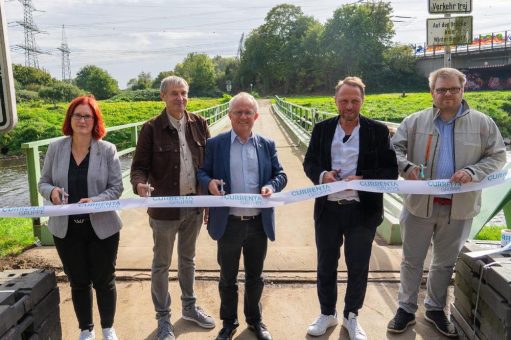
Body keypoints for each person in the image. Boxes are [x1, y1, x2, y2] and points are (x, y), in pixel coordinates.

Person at [388, 67, 507, 337]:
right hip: (419, 205)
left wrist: (473, 172)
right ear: (432, 93)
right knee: (411, 260)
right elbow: (393, 149)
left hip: (460, 206)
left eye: (453, 88)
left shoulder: (483, 123)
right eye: (441, 89)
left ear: (463, 90)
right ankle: (405, 309)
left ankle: (434, 309)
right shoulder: (415, 121)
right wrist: (406, 167)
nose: (448, 94)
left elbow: (498, 156)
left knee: (444, 262)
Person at [303, 77, 398, 340]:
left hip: (362, 210)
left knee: (358, 266)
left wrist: (364, 178)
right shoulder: (321, 129)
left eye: (354, 101)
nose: (349, 106)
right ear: (335, 100)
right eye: (344, 100)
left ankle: (351, 316)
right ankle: (327, 313)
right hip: (328, 210)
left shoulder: (377, 131)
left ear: (362, 101)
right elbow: (310, 162)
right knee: (325, 265)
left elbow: (391, 171)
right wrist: (323, 175)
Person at [197, 92, 287, 340]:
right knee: (227, 278)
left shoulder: (267, 145)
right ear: (230, 115)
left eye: (248, 112)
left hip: (258, 223)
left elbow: (281, 174)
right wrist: (209, 183)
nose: (243, 117)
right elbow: (202, 173)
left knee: (255, 277)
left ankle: (255, 320)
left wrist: (272, 185)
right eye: (238, 112)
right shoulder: (216, 144)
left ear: (256, 116)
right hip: (229, 224)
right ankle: (228, 323)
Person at [130, 76, 214, 340]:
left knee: (188, 259)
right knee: (162, 264)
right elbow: (139, 168)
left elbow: (209, 164)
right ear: (163, 97)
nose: (180, 98)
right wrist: (140, 185)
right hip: (165, 210)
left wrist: (209, 199)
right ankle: (164, 318)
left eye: (184, 93)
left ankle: (189, 308)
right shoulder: (151, 128)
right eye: (174, 93)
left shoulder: (199, 123)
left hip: (194, 206)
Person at [38, 96, 123, 340]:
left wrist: (95, 201)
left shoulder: (107, 150)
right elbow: (43, 182)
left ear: (95, 120)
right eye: (78, 115)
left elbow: (116, 188)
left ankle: (108, 328)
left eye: (88, 116)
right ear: (70, 119)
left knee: (104, 280)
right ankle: (86, 329)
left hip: (102, 227)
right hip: (66, 229)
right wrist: (52, 192)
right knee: (78, 281)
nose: (82, 120)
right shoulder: (56, 148)